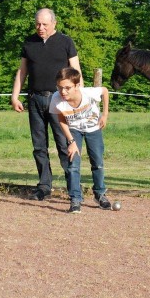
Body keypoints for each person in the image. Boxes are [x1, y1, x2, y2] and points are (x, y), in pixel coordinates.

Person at [11, 8, 81, 201]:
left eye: (44, 24)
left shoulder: (66, 42)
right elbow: (22, 71)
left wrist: (77, 99)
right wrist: (15, 96)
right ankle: (44, 186)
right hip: (35, 100)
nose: (40, 28)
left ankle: (73, 187)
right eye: (37, 24)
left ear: (54, 23)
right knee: (39, 147)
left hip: (59, 100)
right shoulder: (29, 43)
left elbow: (76, 71)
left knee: (64, 144)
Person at [49, 67, 113, 213]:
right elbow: (61, 119)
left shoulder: (88, 93)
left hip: (93, 129)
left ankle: (100, 194)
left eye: (67, 88)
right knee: (73, 165)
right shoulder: (56, 98)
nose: (63, 92)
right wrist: (71, 142)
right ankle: (75, 199)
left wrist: (105, 114)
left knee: (97, 163)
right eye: (59, 87)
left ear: (77, 85)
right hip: (73, 130)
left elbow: (104, 91)